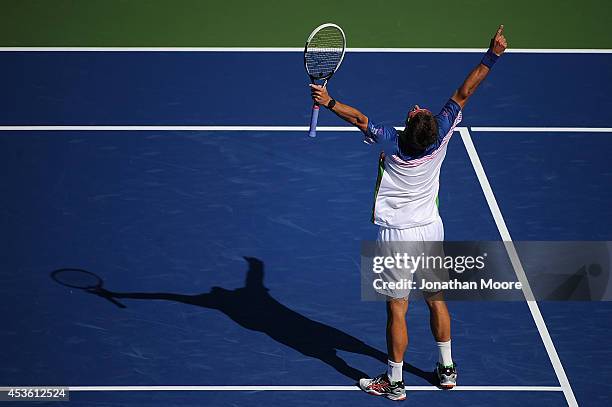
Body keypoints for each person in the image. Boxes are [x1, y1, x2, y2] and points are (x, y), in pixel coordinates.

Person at [310, 25, 508, 401]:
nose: (419, 107)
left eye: (418, 111)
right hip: (431, 229)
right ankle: (447, 369)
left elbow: (359, 120)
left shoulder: (393, 141)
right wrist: (492, 54)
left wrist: (328, 101)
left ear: (411, 127)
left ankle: (395, 381)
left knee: (397, 309)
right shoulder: (443, 131)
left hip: (396, 235)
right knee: (436, 299)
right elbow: (466, 91)